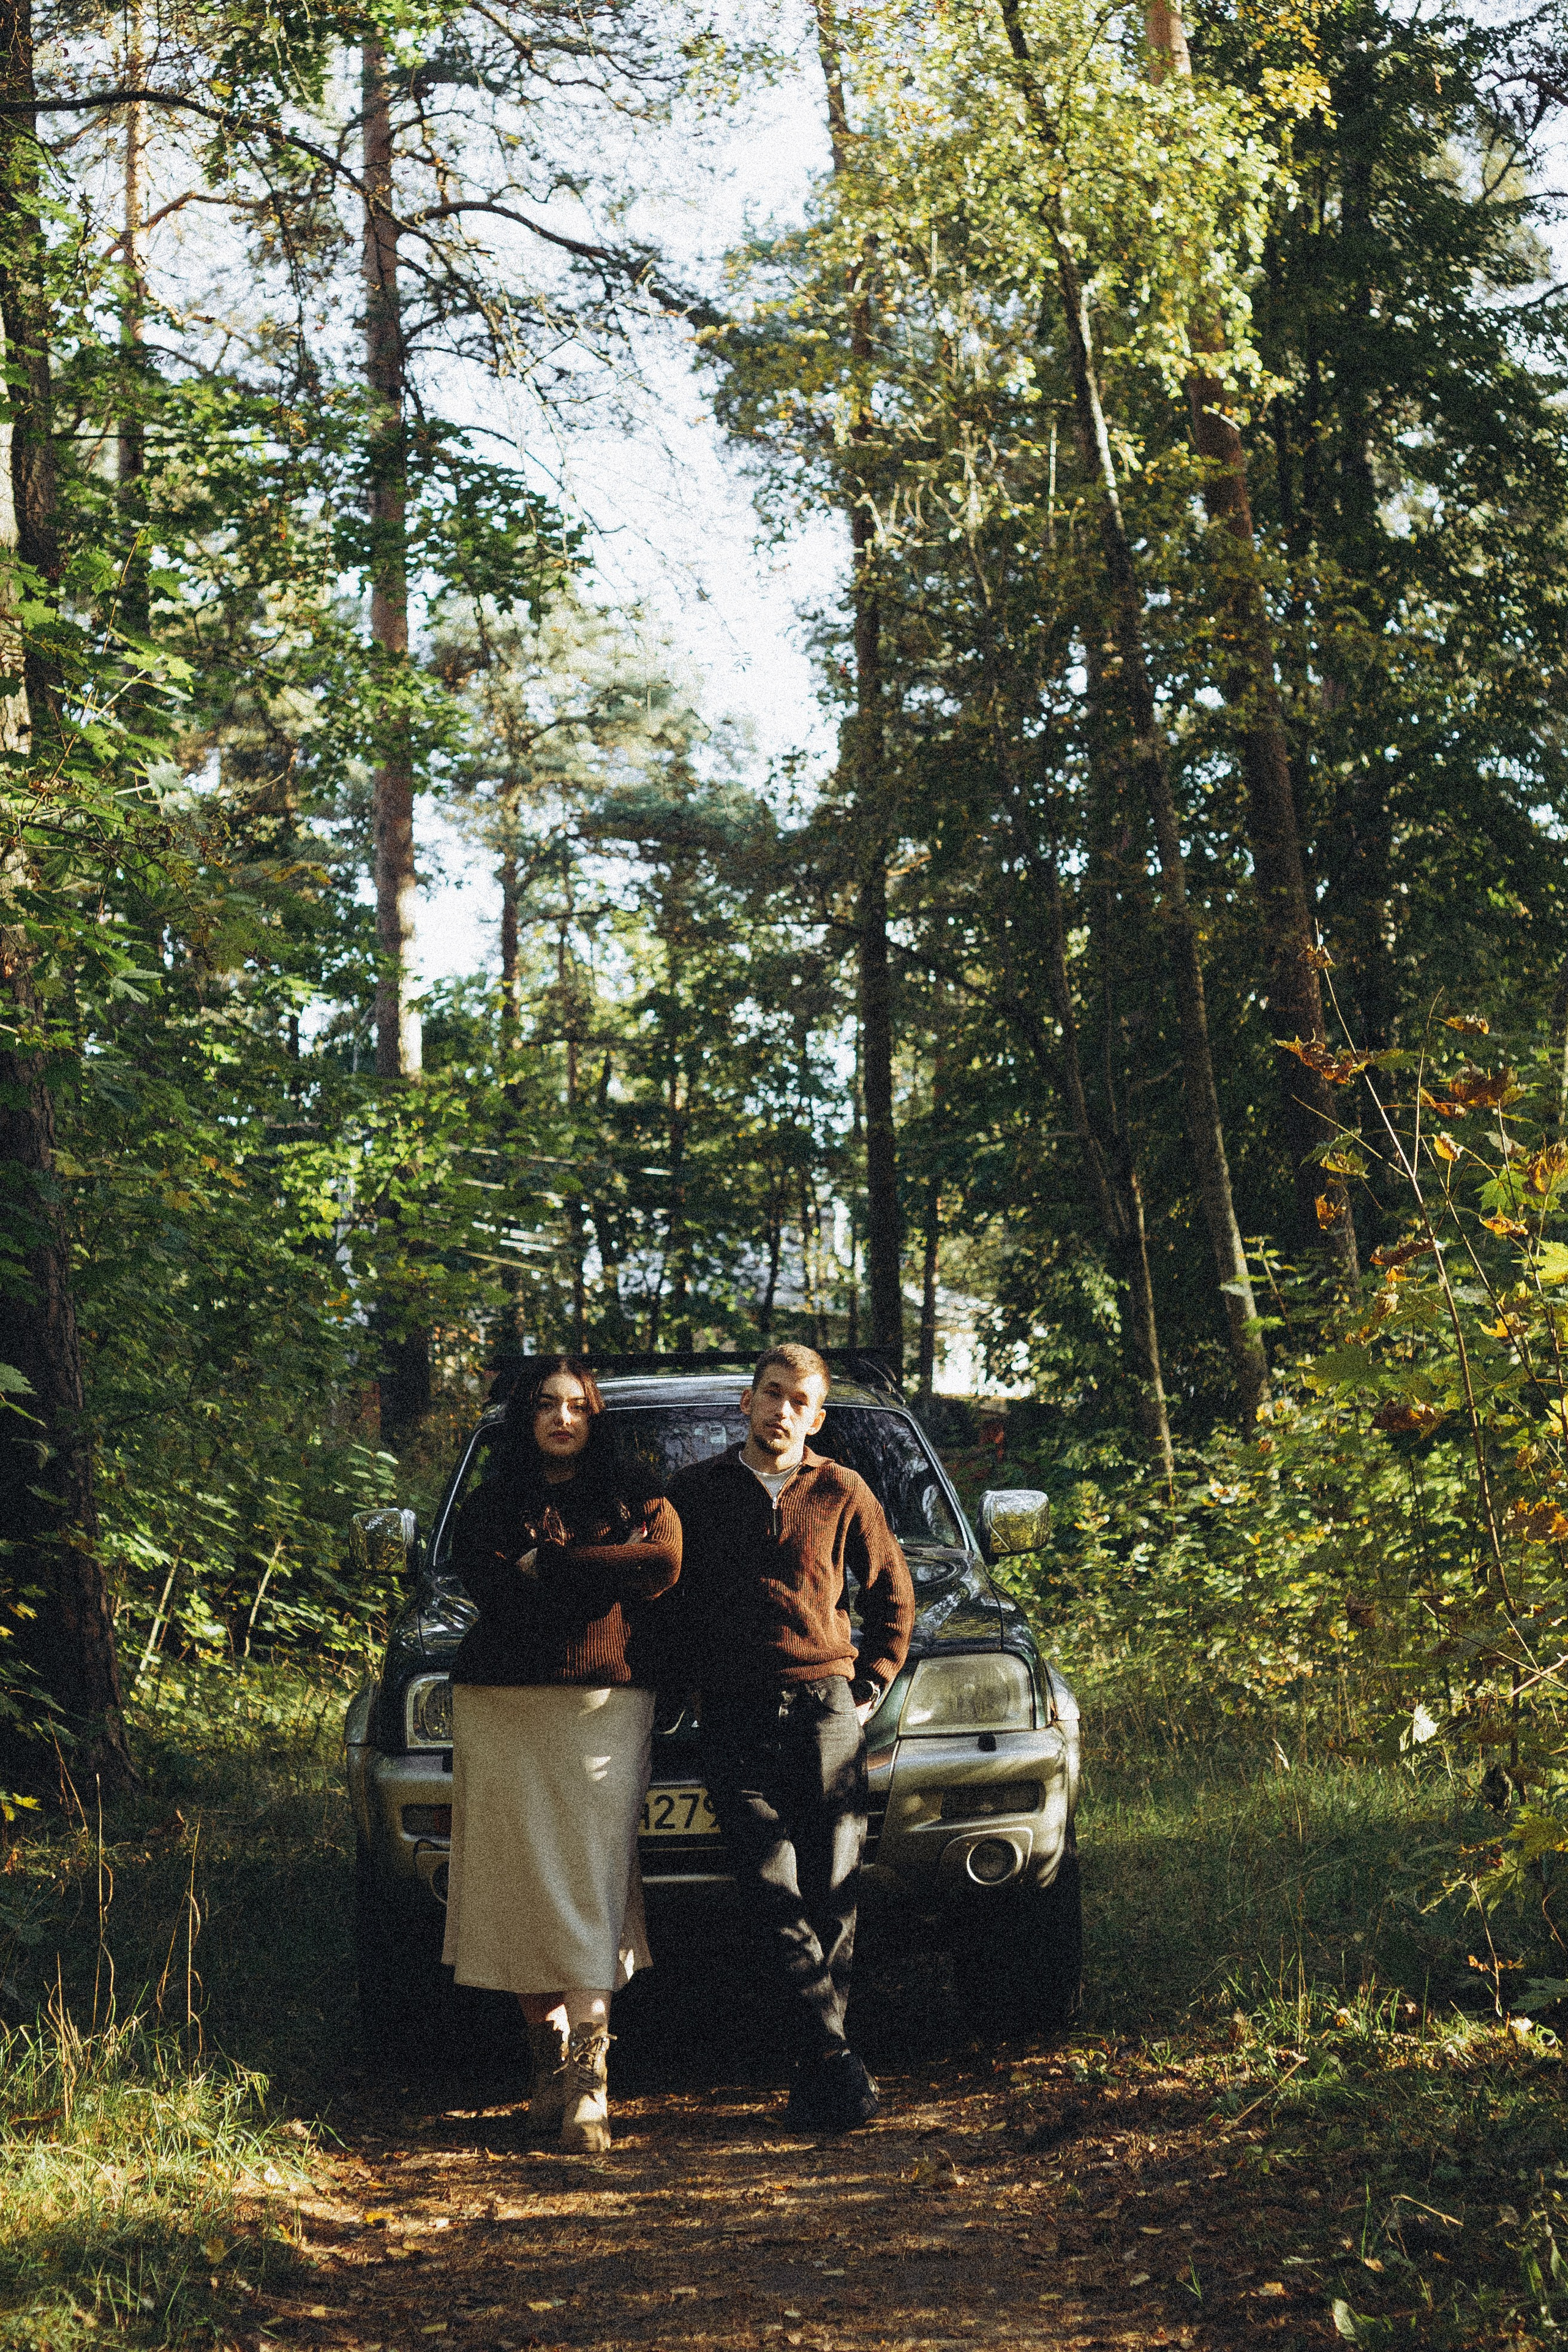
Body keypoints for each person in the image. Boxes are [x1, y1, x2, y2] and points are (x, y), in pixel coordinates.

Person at [666, 1343, 914, 2132]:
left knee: (835, 1893)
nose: (782, 1410)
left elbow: (894, 1597)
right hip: (733, 1714)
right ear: (747, 1402)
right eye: (771, 1394)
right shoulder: (695, 1493)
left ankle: (819, 2071)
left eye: (799, 1400)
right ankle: (837, 2057)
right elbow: (661, 1593)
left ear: (817, 1416)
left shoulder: (845, 1492)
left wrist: (870, 1683)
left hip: (825, 1711)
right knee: (772, 1892)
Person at [442, 1355, 680, 2152]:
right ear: (526, 1417)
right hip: (499, 1706)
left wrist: (553, 1562)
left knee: (588, 1883)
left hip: (603, 1707)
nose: (564, 1419)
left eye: (579, 1406)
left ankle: (590, 2086)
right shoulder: (489, 1504)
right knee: (515, 1890)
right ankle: (546, 2070)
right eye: (547, 1405)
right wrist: (598, 1571)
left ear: (596, 1416)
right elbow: (498, 1591)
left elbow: (663, 1565)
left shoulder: (635, 1495)